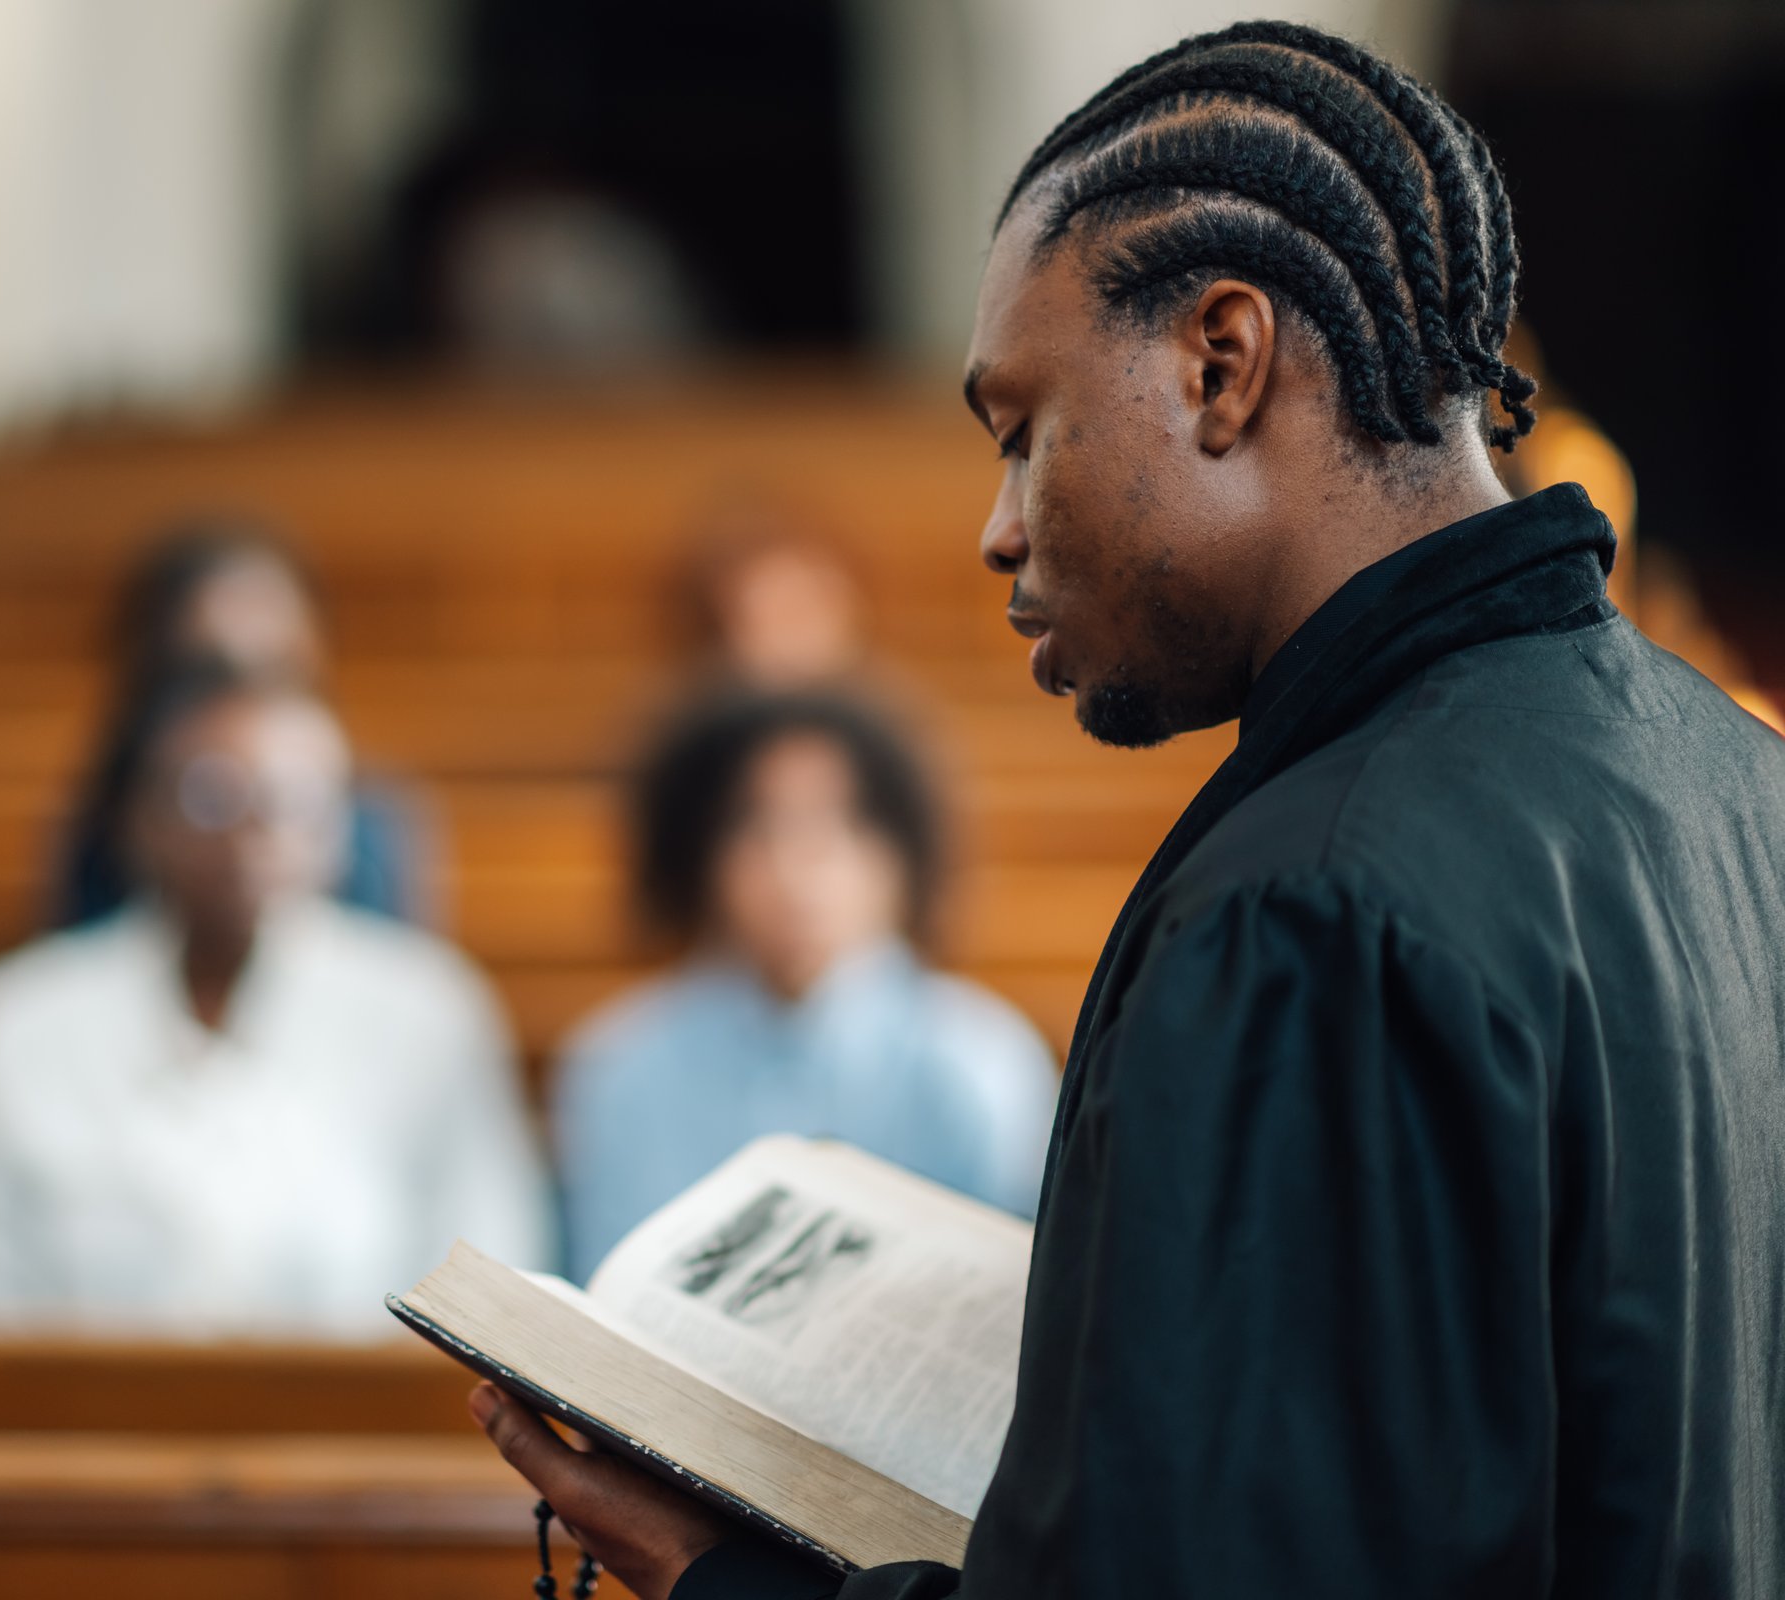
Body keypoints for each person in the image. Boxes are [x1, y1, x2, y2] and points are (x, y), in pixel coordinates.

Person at [468, 20, 1785, 1599]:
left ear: (1220, 363)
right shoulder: (1738, 779)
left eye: (1025, 431)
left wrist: (716, 1575)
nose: (998, 530)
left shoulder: (1306, 910)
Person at [0, 658, 550, 1337]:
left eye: (296, 801)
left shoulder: (431, 1014)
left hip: (352, 1437)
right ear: (140, 816)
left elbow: (490, 1294)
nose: (253, 829)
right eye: (211, 796)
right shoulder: (19, 1019)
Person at [553, 688, 1054, 1276]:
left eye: (841, 823)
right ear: (698, 854)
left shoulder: (979, 1058)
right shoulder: (621, 1064)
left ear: (902, 852)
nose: (796, 866)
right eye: (756, 828)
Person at [58, 517, 435, 927]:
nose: (243, 695)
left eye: (277, 668)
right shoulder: (100, 823)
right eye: (209, 672)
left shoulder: (371, 823)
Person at [681, 500, 869, 691]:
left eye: (819, 601)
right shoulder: (703, 710)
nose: (800, 626)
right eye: (780, 612)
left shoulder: (877, 701)